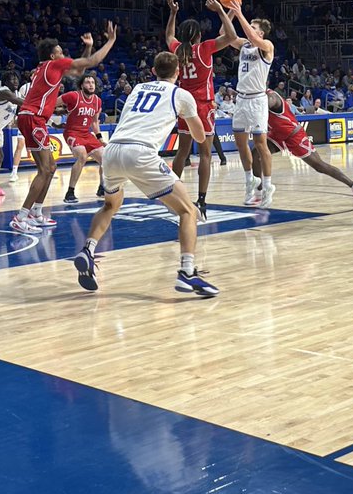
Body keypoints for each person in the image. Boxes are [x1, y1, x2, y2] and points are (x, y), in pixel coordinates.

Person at [72, 51, 217, 296]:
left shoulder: (138, 88)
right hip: (141, 153)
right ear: (178, 72)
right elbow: (200, 136)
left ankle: (88, 248)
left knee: (110, 205)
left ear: (153, 71)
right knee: (188, 210)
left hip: (113, 151)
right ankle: (187, 272)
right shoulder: (181, 94)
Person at [13, 23, 117, 234]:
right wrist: (111, 41)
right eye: (60, 52)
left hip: (34, 118)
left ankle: (36, 212)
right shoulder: (53, 66)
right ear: (53, 56)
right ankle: (21, 216)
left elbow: (79, 69)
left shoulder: (44, 67)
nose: (64, 55)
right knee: (44, 170)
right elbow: (92, 62)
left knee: (50, 169)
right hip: (33, 117)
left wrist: (87, 47)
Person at [164, 0, 237, 218]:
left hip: (183, 104)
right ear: (197, 35)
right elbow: (231, 36)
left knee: (182, 151)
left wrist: (173, 13)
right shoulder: (204, 49)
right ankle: (202, 200)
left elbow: (169, 35)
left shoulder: (178, 50)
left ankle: (171, 193)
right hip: (203, 106)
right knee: (205, 153)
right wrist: (221, 12)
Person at [251, 90, 353, 208]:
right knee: (256, 153)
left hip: (294, 135)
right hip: (278, 134)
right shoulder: (255, 98)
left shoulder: (271, 97)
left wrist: (250, 105)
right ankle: (259, 193)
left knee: (319, 166)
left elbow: (267, 104)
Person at [224, 1, 275, 207]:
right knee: (240, 143)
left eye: (254, 28)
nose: (250, 30)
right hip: (241, 99)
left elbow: (252, 36)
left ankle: (268, 185)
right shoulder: (244, 45)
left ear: (261, 33)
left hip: (257, 100)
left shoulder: (267, 46)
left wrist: (239, 12)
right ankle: (249, 182)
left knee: (261, 144)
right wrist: (229, 11)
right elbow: (225, 33)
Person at [61, 74, 107, 204]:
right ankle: (70, 192)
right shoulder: (73, 96)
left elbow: (94, 123)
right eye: (87, 82)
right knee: (82, 155)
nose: (91, 84)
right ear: (82, 85)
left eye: (93, 82)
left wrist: (99, 138)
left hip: (87, 134)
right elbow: (52, 103)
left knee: (106, 158)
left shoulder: (97, 100)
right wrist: (54, 118)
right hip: (72, 132)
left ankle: (102, 188)